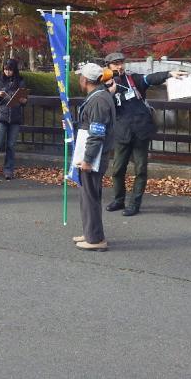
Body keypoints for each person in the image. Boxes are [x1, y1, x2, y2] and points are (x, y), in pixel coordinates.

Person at [103, 52, 187, 216]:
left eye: (121, 63)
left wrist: (169, 74)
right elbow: (101, 105)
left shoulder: (134, 79)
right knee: (118, 169)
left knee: (141, 169)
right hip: (122, 132)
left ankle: (134, 204)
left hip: (141, 130)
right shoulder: (104, 85)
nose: (119, 66)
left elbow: (151, 78)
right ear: (108, 66)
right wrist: (110, 92)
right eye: (115, 64)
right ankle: (119, 200)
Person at [71, 63, 116, 251]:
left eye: (80, 77)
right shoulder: (101, 96)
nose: (79, 79)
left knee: (90, 196)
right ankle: (91, 232)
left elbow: (97, 133)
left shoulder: (98, 100)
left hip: (94, 156)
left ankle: (96, 238)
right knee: (89, 195)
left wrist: (88, 159)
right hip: (94, 153)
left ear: (85, 80)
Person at [0, 58, 27, 180]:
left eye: (10, 70)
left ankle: (8, 170)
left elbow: (24, 99)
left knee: (11, 145)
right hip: (1, 115)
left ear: (14, 70)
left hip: (15, 116)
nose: (7, 72)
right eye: (5, 69)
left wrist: (23, 100)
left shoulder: (20, 81)